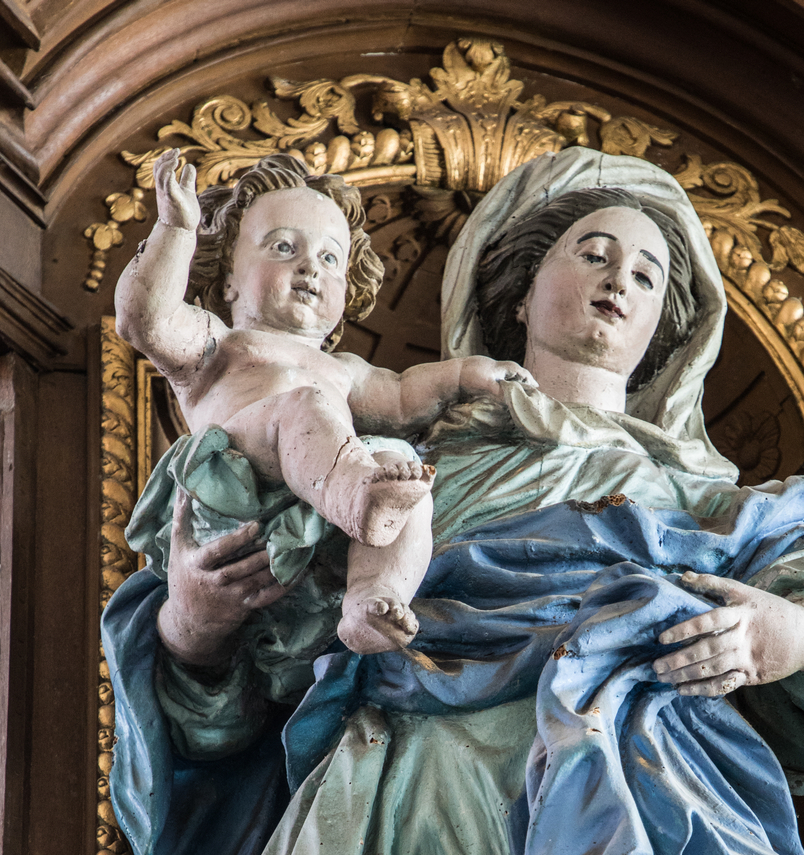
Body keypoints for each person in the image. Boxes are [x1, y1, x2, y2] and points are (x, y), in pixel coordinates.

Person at [103, 147, 804, 855]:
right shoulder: (399, 464)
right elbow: (252, 698)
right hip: (438, 793)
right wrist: (197, 623)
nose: (618, 283)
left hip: (660, 786)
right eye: (593, 254)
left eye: (647, 276)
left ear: (668, 329)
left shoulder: (700, 495)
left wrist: (786, 631)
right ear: (522, 287)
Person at [114, 148, 532, 654]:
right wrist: (176, 229)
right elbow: (147, 319)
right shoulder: (219, 344)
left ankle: (371, 600)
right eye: (283, 247)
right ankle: (358, 499)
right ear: (227, 278)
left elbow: (404, 397)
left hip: (317, 507)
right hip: (235, 493)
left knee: (401, 467)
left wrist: (470, 374)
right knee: (304, 406)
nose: (310, 266)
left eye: (330, 258)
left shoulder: (345, 371)